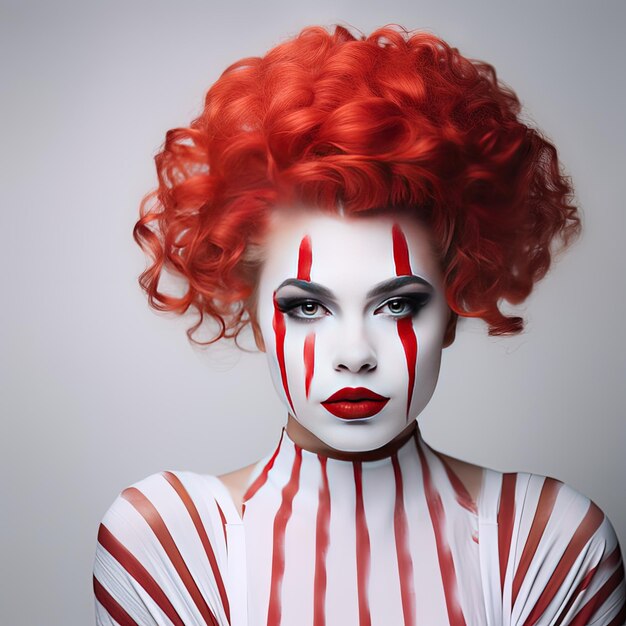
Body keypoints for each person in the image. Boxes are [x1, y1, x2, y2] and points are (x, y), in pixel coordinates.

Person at [92, 25, 626, 625]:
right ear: (256, 317)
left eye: (397, 304)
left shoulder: (547, 543)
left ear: (455, 306)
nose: (354, 355)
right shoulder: (167, 544)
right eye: (307, 306)